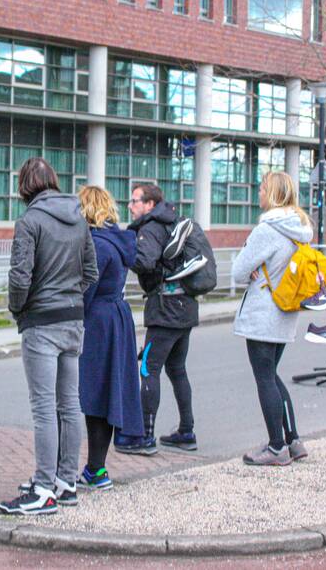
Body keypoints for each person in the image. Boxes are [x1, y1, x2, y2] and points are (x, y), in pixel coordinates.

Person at [0, 158, 98, 516]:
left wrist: (18, 309)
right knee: (69, 405)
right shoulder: (79, 219)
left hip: (41, 322)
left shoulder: (30, 221)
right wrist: (70, 297)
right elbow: (91, 272)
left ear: (25, 185)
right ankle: (65, 482)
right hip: (73, 319)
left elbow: (19, 276)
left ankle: (42, 489)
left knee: (44, 408)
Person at [231, 171, 313, 467]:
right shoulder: (299, 229)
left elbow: (238, 271)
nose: (259, 193)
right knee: (273, 376)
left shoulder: (266, 230)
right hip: (285, 311)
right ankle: (293, 440)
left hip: (263, 314)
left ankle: (277, 447)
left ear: (274, 194)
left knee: (265, 378)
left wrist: (252, 267)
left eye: (262, 189)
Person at [76, 186, 144, 490]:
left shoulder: (96, 245)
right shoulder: (117, 240)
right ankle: (97, 468)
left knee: (94, 394)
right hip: (117, 316)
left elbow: (85, 289)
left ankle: (95, 469)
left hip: (98, 321)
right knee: (107, 392)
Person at [125, 183, 198, 454]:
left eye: (135, 201)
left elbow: (145, 262)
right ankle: (186, 431)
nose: (130, 206)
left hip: (165, 309)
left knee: (149, 369)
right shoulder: (173, 221)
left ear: (150, 204)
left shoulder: (151, 228)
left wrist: (125, 254)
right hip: (185, 306)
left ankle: (145, 436)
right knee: (177, 369)